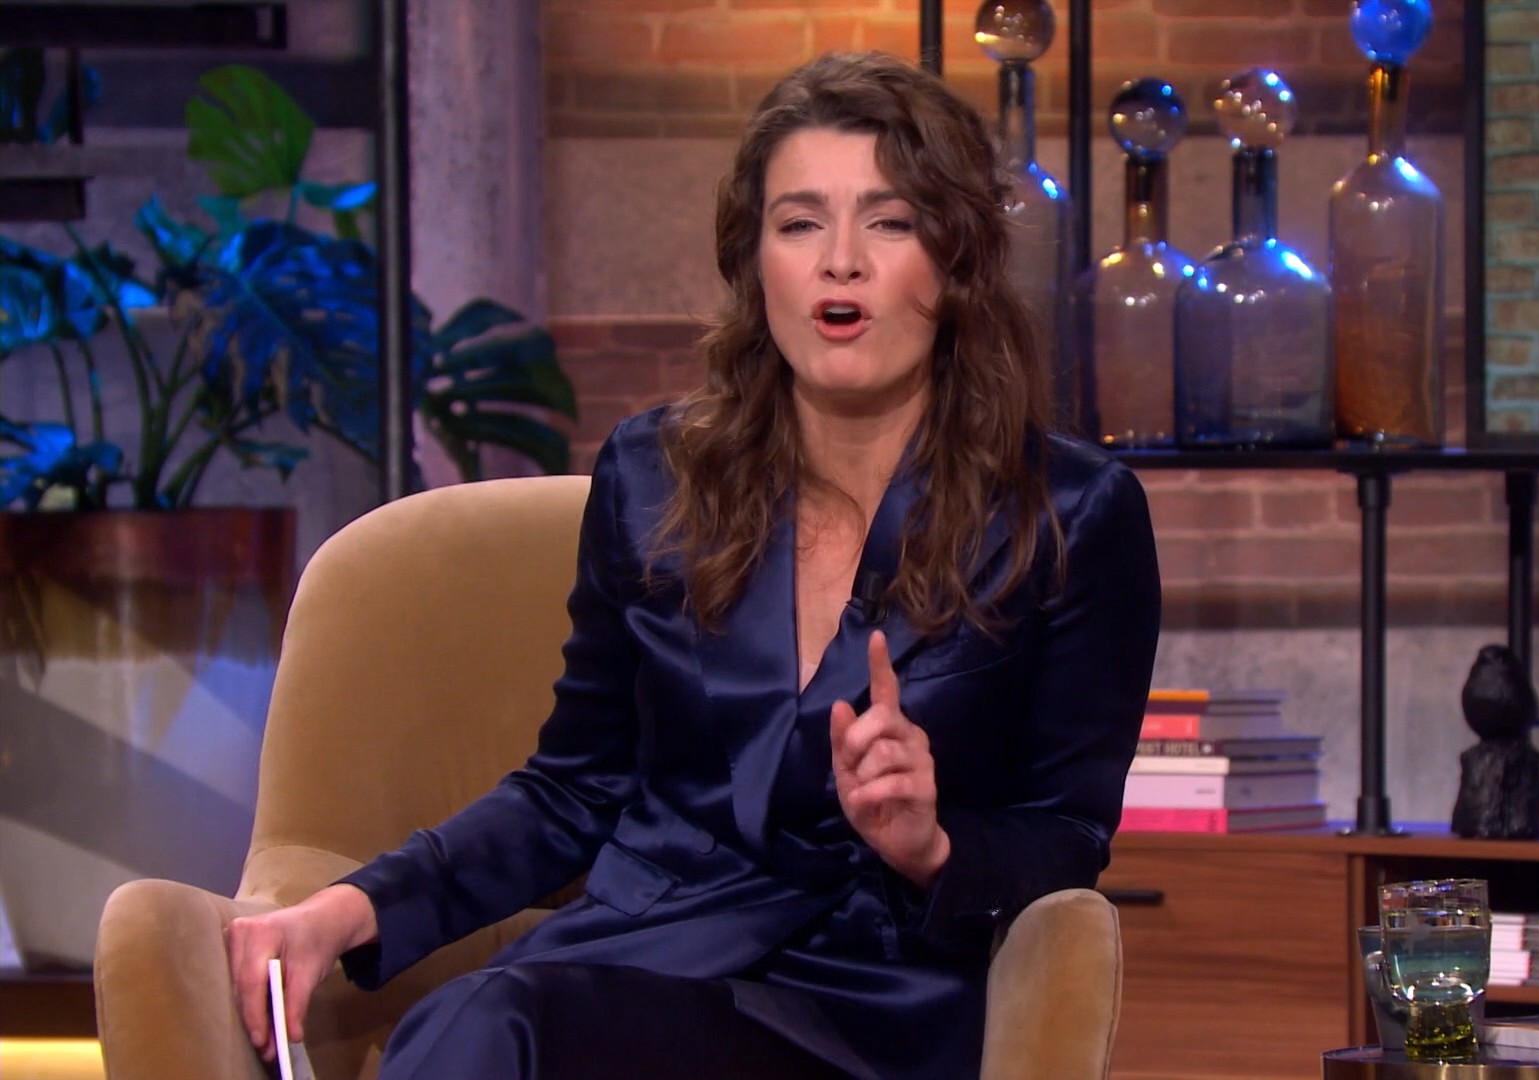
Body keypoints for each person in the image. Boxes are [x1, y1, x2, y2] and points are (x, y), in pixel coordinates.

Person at [225, 50, 1161, 1080]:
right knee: (493, 1019)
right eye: (799, 223)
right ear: (754, 260)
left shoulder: (1069, 513)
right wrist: (353, 907)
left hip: (869, 1009)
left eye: (890, 222)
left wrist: (930, 844)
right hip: (639, 959)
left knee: (502, 1027)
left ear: (957, 258)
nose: (840, 261)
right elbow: (571, 790)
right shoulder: (654, 478)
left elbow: (1065, 835)